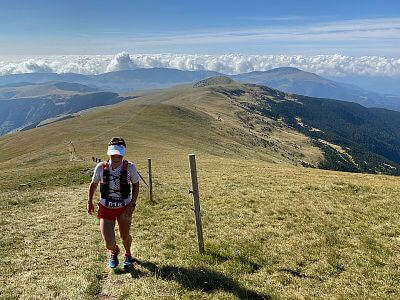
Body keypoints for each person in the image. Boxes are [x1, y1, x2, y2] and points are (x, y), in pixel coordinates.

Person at [87, 137, 140, 269]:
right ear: (109, 152)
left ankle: (128, 253)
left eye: (118, 153)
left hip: (124, 207)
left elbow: (136, 185)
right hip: (106, 208)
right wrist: (90, 201)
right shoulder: (100, 167)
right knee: (108, 242)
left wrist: (132, 204)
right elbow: (93, 185)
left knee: (125, 236)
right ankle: (114, 250)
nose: (116, 156)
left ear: (123, 153)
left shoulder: (130, 167)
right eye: (113, 153)